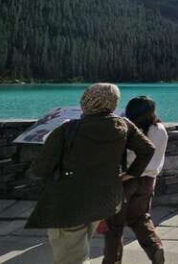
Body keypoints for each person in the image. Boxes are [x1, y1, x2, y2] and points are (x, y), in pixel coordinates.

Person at [26, 83, 155, 264]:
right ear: (113, 102)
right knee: (80, 248)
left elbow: (40, 169)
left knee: (70, 256)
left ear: (86, 99)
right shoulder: (124, 125)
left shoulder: (67, 129)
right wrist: (130, 174)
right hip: (104, 199)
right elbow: (148, 149)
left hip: (69, 201)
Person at [104, 96, 167, 264]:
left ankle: (112, 261)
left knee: (114, 226)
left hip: (127, 179)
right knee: (140, 218)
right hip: (148, 180)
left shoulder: (129, 129)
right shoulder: (160, 129)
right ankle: (155, 248)